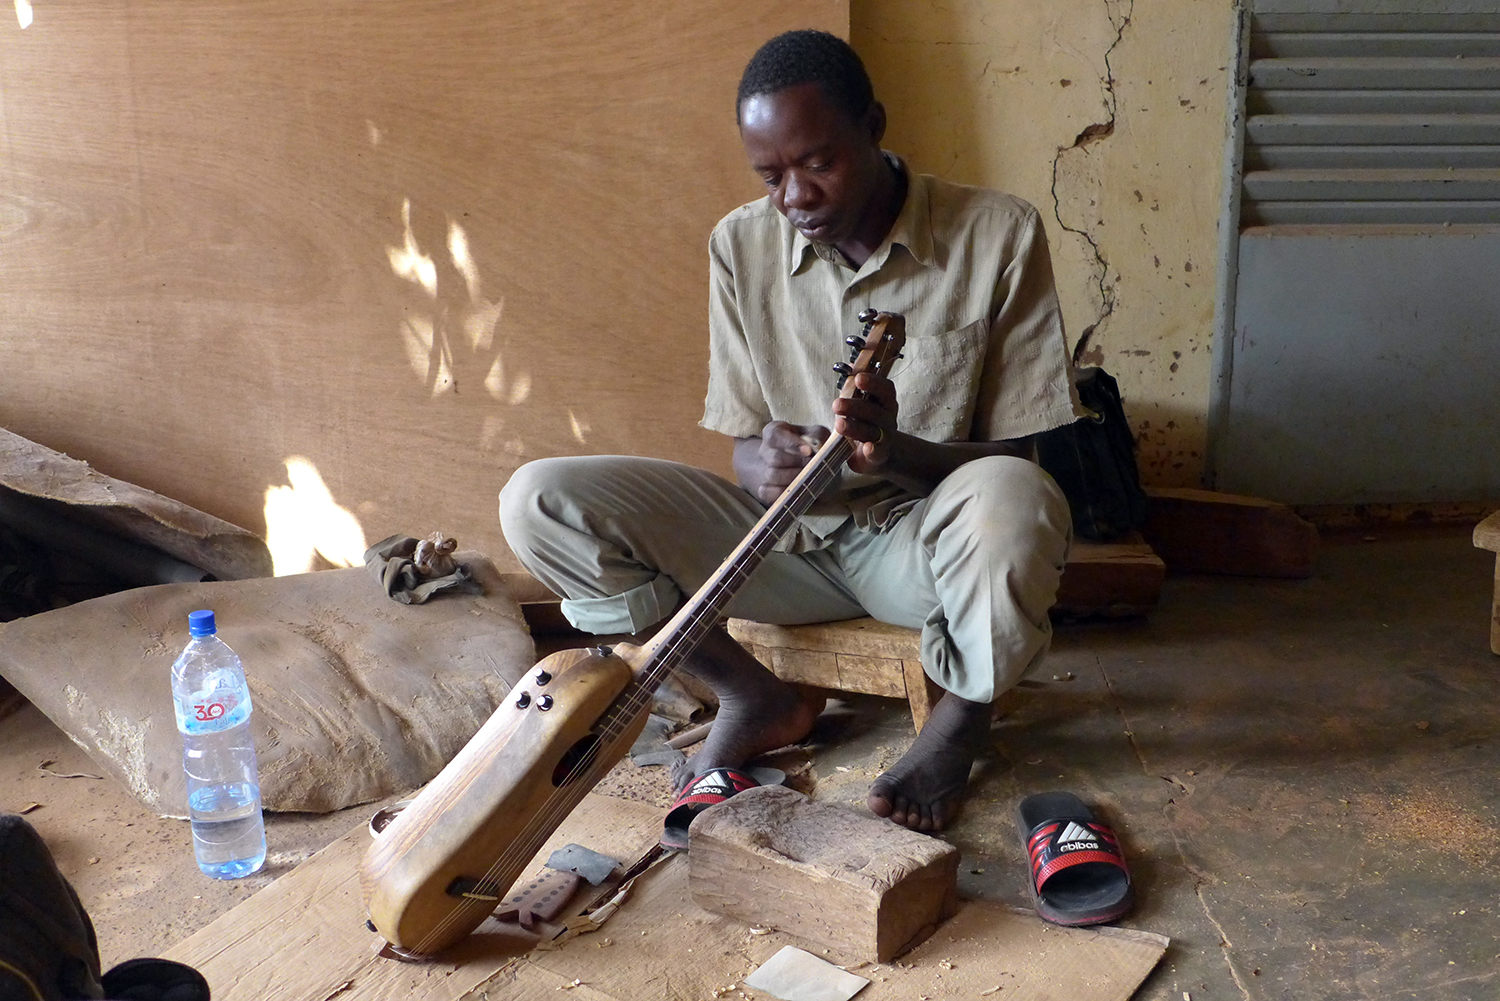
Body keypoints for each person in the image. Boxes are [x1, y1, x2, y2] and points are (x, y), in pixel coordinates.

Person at [500, 29, 1080, 832]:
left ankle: (961, 721)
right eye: (770, 175)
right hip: (781, 543)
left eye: (818, 162)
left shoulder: (998, 235)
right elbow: (739, 442)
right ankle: (752, 693)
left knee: (1020, 497)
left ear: (874, 126)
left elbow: (1019, 456)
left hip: (914, 548)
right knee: (538, 499)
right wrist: (760, 462)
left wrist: (896, 449)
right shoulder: (741, 244)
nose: (793, 196)